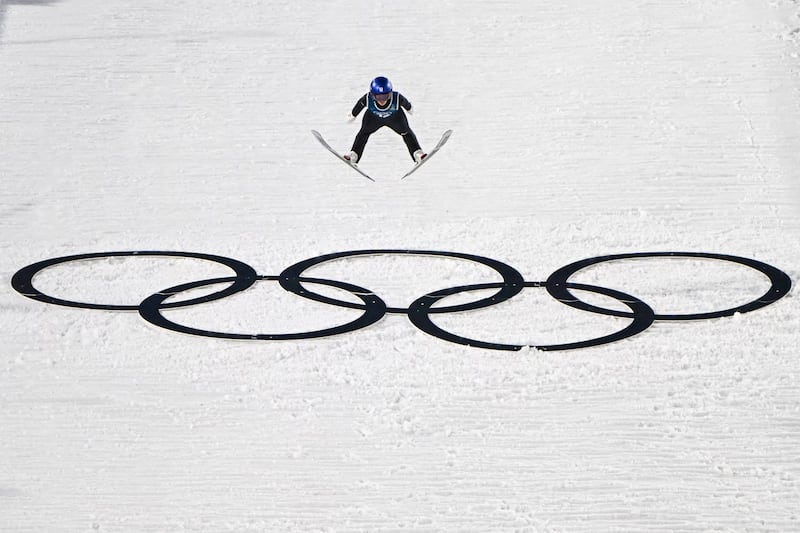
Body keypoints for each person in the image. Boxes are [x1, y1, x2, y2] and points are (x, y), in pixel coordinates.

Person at [344, 76, 426, 165]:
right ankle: (354, 156)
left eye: (385, 96)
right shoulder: (367, 98)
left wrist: (409, 109)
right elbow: (359, 106)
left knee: (407, 133)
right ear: (372, 95)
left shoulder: (397, 98)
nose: (382, 100)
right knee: (363, 134)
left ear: (390, 93)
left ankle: (417, 154)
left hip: (395, 118)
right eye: (378, 97)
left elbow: (405, 103)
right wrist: (353, 115)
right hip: (373, 118)